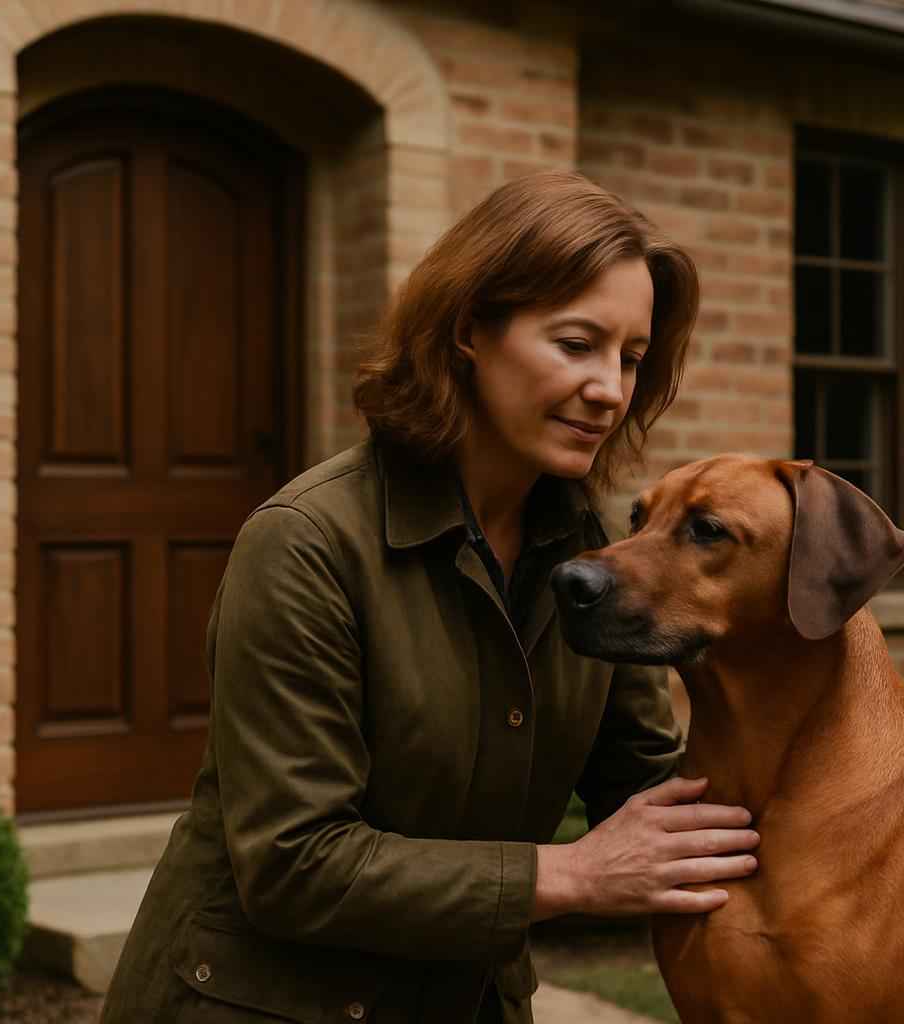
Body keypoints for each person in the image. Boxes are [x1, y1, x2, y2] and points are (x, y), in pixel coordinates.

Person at [100, 170, 761, 1023]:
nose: (609, 388)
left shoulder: (592, 553)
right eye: (575, 344)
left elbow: (647, 793)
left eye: (630, 358)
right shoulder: (306, 542)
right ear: (467, 331)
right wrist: (567, 873)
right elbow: (293, 865)